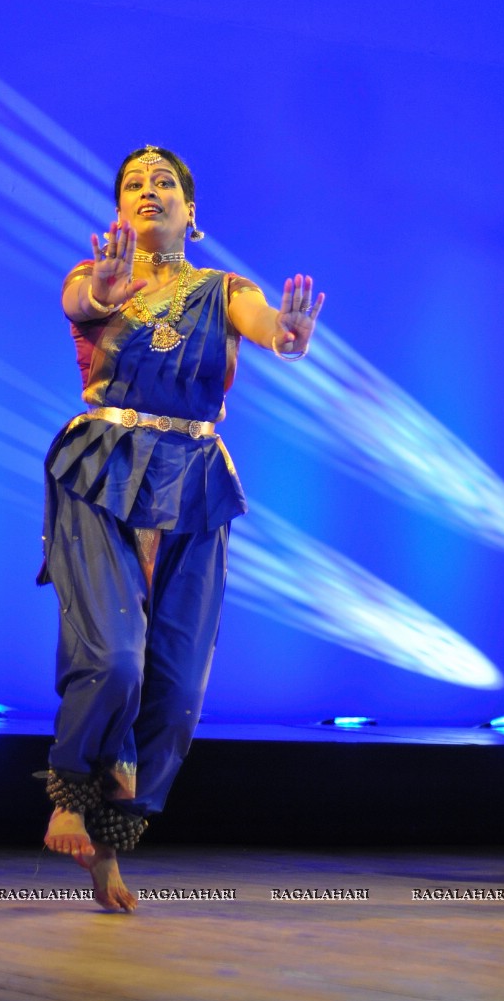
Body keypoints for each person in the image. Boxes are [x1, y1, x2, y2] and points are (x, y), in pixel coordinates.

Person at [36, 145, 324, 910]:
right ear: (119, 209)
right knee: (115, 654)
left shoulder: (222, 290)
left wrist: (287, 334)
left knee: (178, 689)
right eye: (134, 184)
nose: (149, 191)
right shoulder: (91, 276)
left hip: (193, 480)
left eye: (164, 182)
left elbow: (264, 325)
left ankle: (108, 846)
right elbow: (78, 304)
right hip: (103, 468)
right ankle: (69, 791)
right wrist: (104, 286)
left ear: (191, 213)